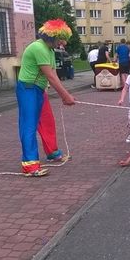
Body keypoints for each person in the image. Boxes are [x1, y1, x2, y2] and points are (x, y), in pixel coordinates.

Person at [16, 19, 76, 176]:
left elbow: (54, 74)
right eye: (61, 39)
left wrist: (65, 95)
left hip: (39, 90)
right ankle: (30, 165)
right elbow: (50, 76)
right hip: (28, 89)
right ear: (53, 36)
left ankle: (52, 152)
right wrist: (66, 96)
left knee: (47, 121)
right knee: (29, 125)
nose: (63, 43)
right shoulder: (38, 48)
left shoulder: (49, 51)